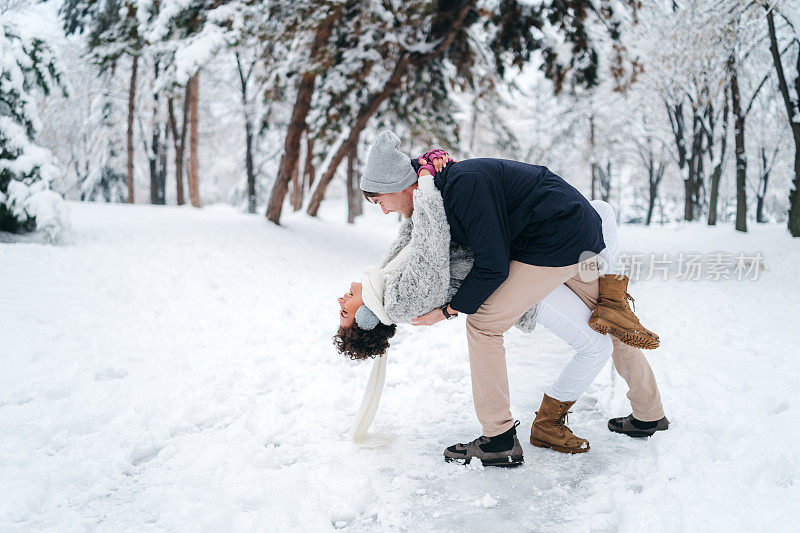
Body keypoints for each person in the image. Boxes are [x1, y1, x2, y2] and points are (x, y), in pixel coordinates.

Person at [353, 131, 668, 465]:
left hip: (554, 243)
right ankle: (649, 413)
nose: (384, 211)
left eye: (379, 202)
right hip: (579, 232)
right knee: (612, 316)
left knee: (484, 325)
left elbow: (493, 264)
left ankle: (499, 438)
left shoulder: (461, 187)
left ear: (400, 186)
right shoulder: (443, 185)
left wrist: (447, 311)